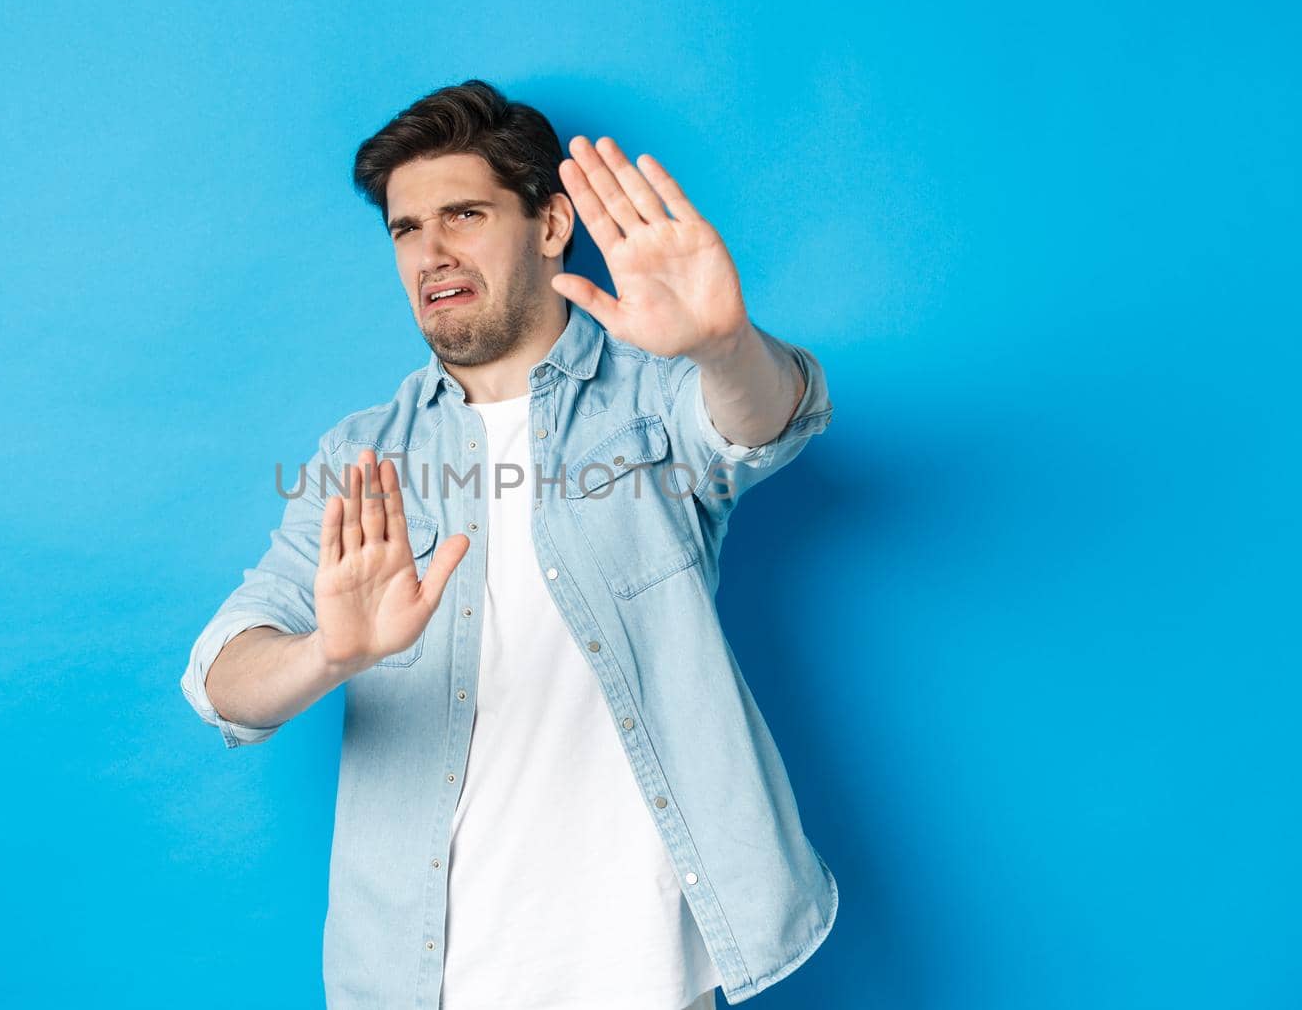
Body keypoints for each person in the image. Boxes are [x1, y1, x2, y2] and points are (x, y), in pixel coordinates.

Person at [180, 79, 838, 1009]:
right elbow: (220, 679)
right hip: (423, 980)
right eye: (407, 229)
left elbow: (767, 421)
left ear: (551, 224)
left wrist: (725, 346)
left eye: (464, 214)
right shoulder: (363, 458)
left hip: (645, 972)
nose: (431, 252)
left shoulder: (650, 398)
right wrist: (327, 652)